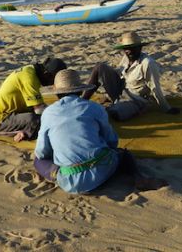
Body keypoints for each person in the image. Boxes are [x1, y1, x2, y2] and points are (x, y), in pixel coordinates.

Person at [34, 69, 168, 194]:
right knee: (123, 154)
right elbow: (112, 142)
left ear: (57, 93)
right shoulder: (94, 108)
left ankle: (57, 174)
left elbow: (41, 152)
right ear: (80, 91)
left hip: (69, 181)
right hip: (102, 170)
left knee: (37, 161)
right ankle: (138, 178)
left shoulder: (48, 113)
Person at [83, 31, 180, 121]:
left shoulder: (148, 63)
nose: (129, 51)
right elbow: (119, 74)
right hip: (120, 90)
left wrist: (166, 108)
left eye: (133, 48)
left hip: (135, 100)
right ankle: (81, 102)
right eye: (126, 49)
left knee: (115, 113)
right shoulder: (126, 58)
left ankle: (114, 107)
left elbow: (155, 87)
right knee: (99, 67)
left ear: (140, 48)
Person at [0, 57, 67, 142]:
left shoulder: (30, 71)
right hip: (3, 119)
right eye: (53, 80)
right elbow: (39, 109)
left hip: (18, 112)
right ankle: (6, 131)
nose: (52, 83)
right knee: (37, 120)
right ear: (46, 74)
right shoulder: (29, 78)